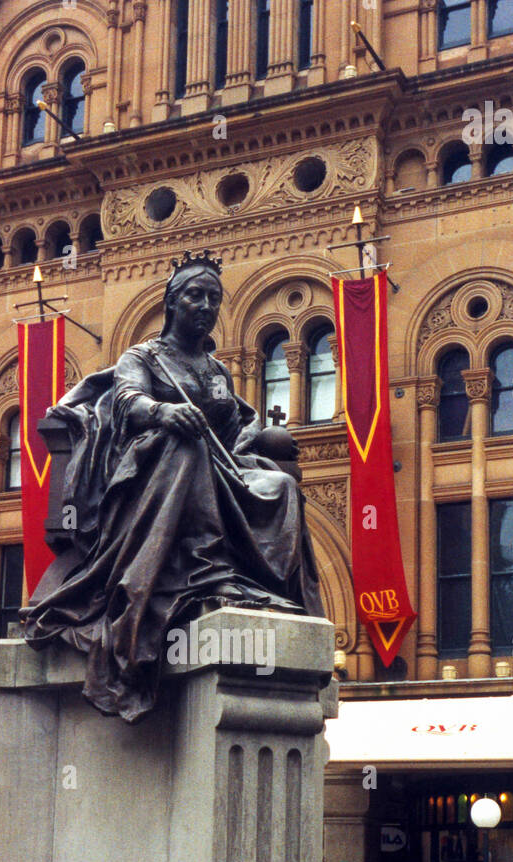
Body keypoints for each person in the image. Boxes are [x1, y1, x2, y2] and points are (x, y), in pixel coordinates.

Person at [23, 249, 324, 723]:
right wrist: (164, 412)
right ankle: (207, 571)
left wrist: (256, 436)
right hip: (150, 476)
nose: (205, 306)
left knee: (280, 485)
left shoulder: (217, 369)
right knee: (186, 445)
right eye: (195, 296)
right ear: (172, 302)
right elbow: (126, 400)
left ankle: (263, 586)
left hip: (221, 466)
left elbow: (238, 424)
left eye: (213, 298)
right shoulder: (144, 358)